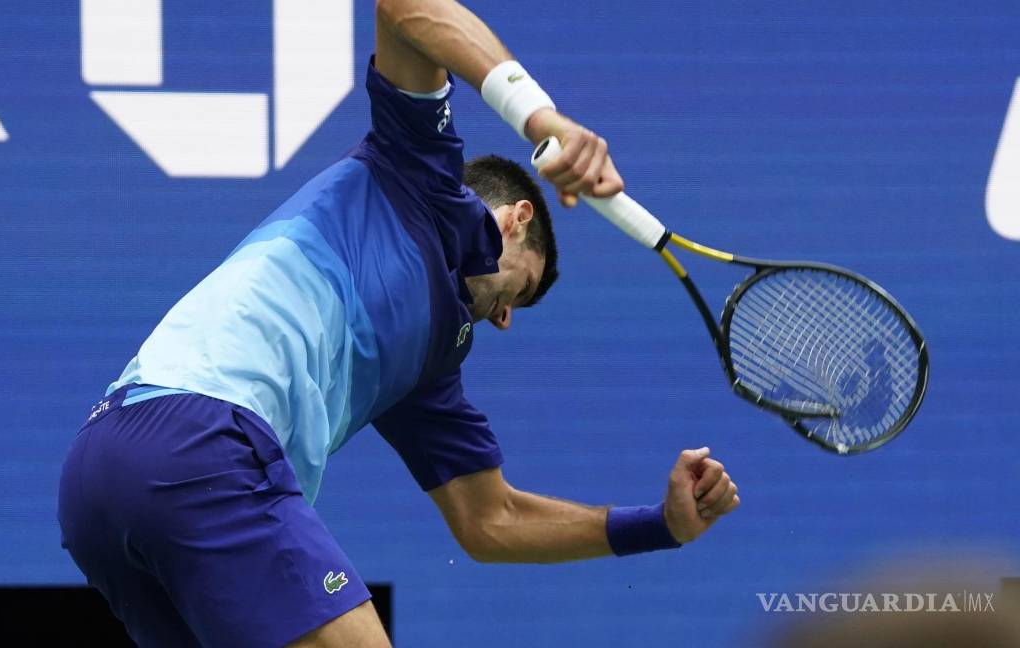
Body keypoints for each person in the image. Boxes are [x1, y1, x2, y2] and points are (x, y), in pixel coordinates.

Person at [57, 1, 742, 646]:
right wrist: (541, 118)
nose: (504, 320)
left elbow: (489, 522)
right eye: (518, 292)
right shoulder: (412, 168)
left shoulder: (428, 367)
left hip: (98, 474)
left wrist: (662, 527)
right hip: (203, 440)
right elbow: (402, 10)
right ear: (517, 219)